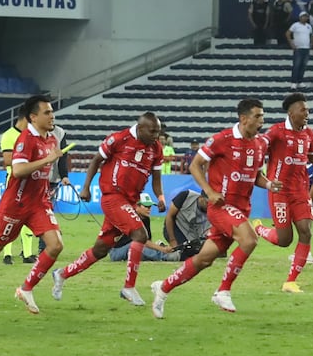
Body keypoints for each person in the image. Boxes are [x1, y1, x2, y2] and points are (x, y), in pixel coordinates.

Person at [150, 99, 278, 318]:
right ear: (244, 118)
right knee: (249, 240)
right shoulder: (222, 140)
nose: (262, 121)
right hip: (220, 207)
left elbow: (255, 175)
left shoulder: (260, 144)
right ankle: (223, 289)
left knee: (204, 259)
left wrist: (268, 184)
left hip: (240, 208)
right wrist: (209, 191)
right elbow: (194, 164)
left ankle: (163, 288)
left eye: (263, 116)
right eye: (258, 116)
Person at [0, 96, 66, 319]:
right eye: (47, 113)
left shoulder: (51, 139)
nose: (52, 116)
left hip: (39, 203)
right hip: (16, 204)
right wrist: (47, 160)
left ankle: (26, 288)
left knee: (56, 245)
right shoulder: (25, 140)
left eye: (52, 112)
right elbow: (18, 171)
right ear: (33, 117)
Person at [51, 113, 166, 306]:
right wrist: (86, 186)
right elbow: (96, 160)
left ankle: (62, 274)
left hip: (129, 202)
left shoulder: (156, 149)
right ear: (140, 128)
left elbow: (156, 179)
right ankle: (128, 287)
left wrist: (160, 197)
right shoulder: (119, 139)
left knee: (101, 249)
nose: (156, 135)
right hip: (113, 197)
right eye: (152, 131)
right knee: (140, 234)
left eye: (158, 131)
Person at [253, 93, 313, 293]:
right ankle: (260, 229)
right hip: (279, 192)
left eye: (307, 109)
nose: (307, 112)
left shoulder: (309, 134)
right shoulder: (276, 132)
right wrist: (262, 177)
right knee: (284, 239)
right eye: (303, 110)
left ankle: (290, 281)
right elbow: (257, 149)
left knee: (306, 231)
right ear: (291, 112)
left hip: (300, 191)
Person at [0, 108, 38, 264]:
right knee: (11, 217)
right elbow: (8, 160)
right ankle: (7, 254)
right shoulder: (9, 135)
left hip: (31, 183)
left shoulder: (31, 136)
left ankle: (27, 254)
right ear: (26, 119)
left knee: (29, 217)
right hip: (14, 182)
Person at [108, 194, 179, 262]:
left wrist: (158, 247)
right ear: (137, 206)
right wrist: (162, 249)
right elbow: (143, 241)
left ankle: (166, 253)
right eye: (146, 206)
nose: (149, 209)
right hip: (116, 252)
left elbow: (148, 241)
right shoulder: (131, 218)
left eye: (150, 206)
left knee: (142, 248)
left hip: (130, 248)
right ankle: (166, 256)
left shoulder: (145, 218)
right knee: (136, 245)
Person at [162, 188, 210, 261]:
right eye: (207, 203)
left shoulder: (213, 209)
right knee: (184, 255)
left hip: (193, 235)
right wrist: (172, 240)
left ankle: (164, 247)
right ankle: (161, 251)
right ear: (201, 198)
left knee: (201, 253)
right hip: (176, 228)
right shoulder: (185, 196)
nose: (209, 206)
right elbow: (170, 216)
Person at [287, 11, 312, 89]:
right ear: (300, 17)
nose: (305, 18)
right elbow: (287, 33)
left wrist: (311, 43)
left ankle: (300, 81)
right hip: (298, 48)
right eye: (303, 16)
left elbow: (311, 35)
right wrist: (291, 43)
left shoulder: (309, 26)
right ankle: (294, 82)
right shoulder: (295, 25)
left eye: (306, 16)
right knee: (296, 65)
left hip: (306, 48)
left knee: (303, 66)